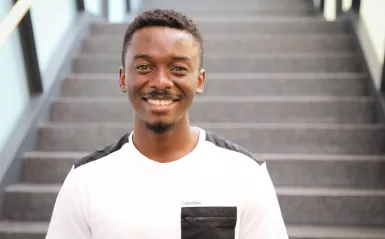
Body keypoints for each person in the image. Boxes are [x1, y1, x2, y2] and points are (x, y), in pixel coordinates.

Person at [46, 8, 288, 239]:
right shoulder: (85, 180)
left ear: (199, 81)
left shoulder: (244, 173)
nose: (161, 82)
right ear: (123, 78)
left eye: (178, 69)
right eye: (144, 67)